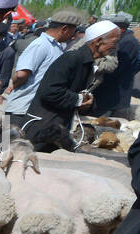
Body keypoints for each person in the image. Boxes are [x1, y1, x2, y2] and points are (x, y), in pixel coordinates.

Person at [23, 20, 122, 151]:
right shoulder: (71, 59)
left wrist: (87, 103)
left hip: (57, 128)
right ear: (98, 41)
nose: (115, 47)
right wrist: (80, 99)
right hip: (42, 127)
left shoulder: (87, 64)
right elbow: (49, 92)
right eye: (114, 42)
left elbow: (76, 97)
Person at [3, 8, 84, 127]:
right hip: (22, 110)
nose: (73, 35)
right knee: (12, 144)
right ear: (64, 29)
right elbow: (21, 75)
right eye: (73, 31)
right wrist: (13, 85)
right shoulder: (41, 44)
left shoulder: (56, 47)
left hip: (34, 111)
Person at [93, 13, 140, 118]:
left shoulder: (128, 42)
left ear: (120, 28)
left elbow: (118, 67)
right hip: (109, 91)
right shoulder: (122, 40)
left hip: (114, 92)